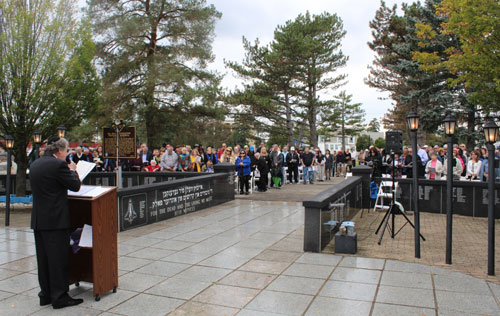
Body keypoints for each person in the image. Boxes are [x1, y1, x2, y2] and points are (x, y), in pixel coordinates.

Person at [30, 137, 83, 309]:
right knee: (58, 259)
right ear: (59, 150)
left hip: (39, 220)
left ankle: (45, 294)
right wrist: (73, 170)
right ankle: (60, 296)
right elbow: (75, 186)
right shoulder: (58, 165)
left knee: (44, 259)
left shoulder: (36, 164)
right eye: (66, 151)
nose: (67, 153)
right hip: (56, 221)